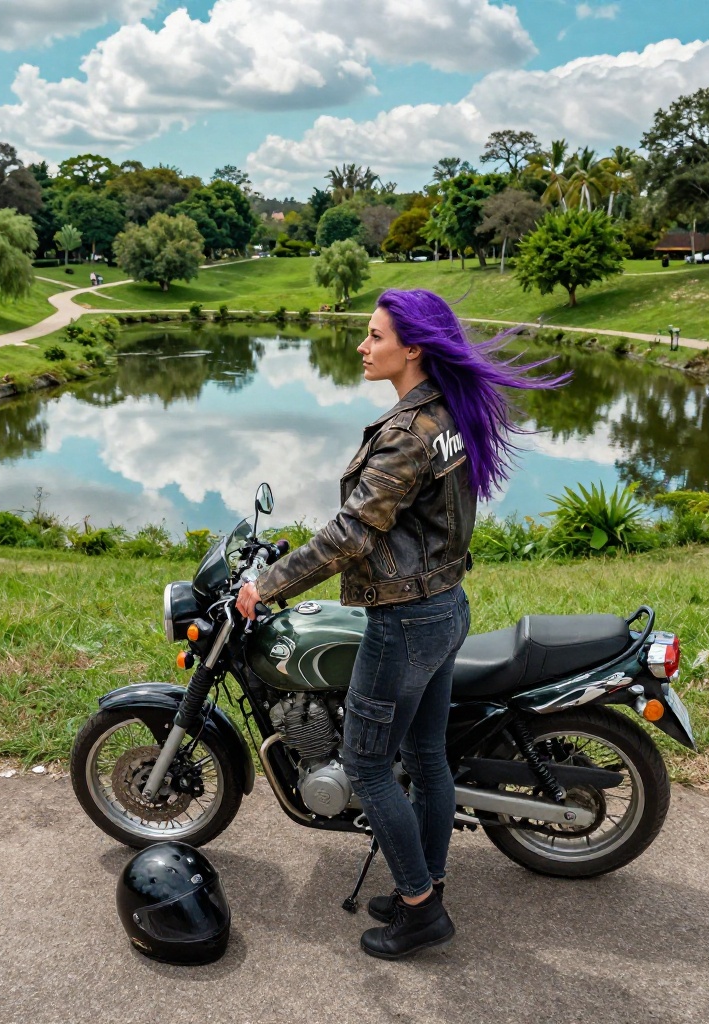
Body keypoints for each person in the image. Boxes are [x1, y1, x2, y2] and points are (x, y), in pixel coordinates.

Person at [236, 289, 565, 960]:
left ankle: (419, 910)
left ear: (412, 348)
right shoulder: (444, 415)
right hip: (445, 607)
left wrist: (266, 586)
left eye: (375, 336)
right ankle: (430, 885)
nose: (362, 346)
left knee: (365, 762)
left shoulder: (407, 435)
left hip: (406, 620)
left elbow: (351, 535)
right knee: (424, 757)